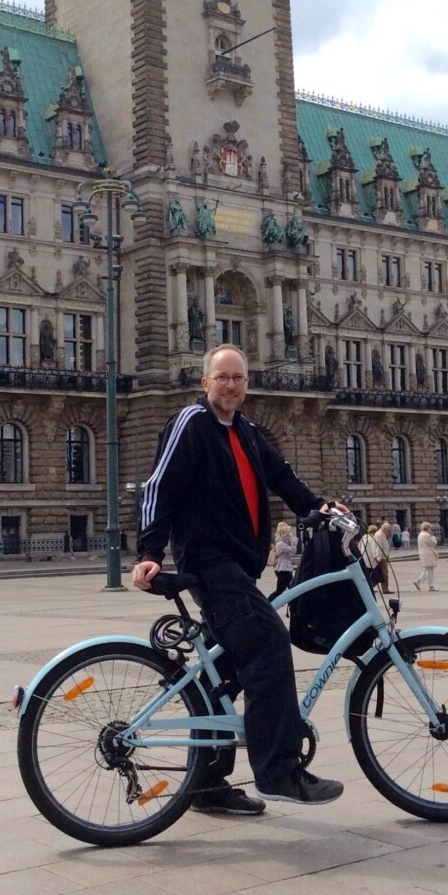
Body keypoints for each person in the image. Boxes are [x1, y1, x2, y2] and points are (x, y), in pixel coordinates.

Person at [133, 343, 344, 810]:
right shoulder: (190, 424)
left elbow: (284, 478)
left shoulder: (246, 431)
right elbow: (157, 487)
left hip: (238, 566)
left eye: (238, 378)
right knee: (268, 641)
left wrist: (320, 507)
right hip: (209, 563)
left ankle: (206, 786)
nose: (231, 385)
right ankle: (279, 770)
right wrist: (149, 551)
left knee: (222, 674)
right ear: (205, 382)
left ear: (246, 385)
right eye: (222, 377)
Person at [267, 521, 298, 602]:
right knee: (282, 590)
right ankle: (268, 602)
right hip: (283, 569)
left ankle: (294, 604)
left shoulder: (283, 542)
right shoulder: (281, 543)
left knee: (291, 588)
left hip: (285, 569)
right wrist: (291, 539)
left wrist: (290, 539)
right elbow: (293, 550)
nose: (290, 533)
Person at [362, 523, 392, 592]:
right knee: (383, 573)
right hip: (381, 557)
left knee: (382, 573)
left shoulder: (382, 535)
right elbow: (378, 547)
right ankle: (384, 589)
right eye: (389, 530)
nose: (389, 532)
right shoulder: (379, 535)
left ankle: (383, 588)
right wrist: (378, 557)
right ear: (385, 529)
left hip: (383, 556)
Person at [413, 522, 440, 591]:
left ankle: (418, 581)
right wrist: (433, 536)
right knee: (430, 570)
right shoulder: (427, 535)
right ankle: (430, 585)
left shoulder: (420, 534)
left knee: (427, 569)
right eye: (430, 528)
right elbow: (434, 543)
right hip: (429, 554)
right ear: (428, 528)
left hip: (423, 553)